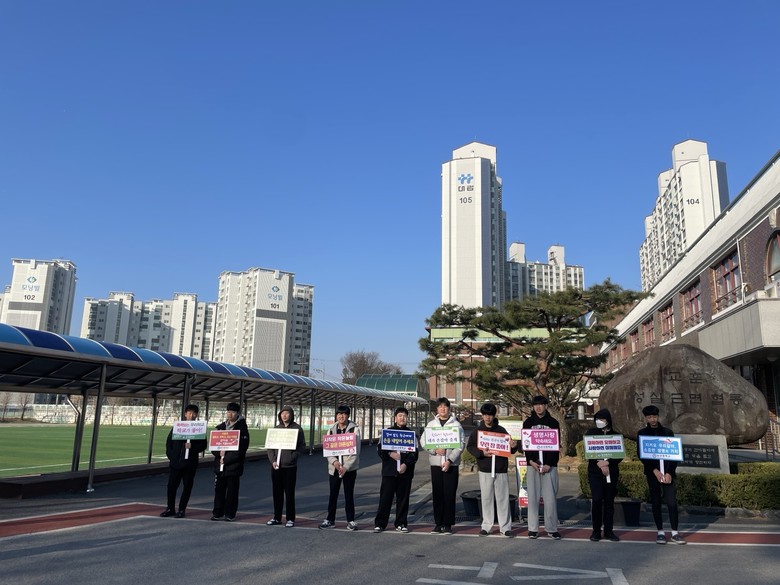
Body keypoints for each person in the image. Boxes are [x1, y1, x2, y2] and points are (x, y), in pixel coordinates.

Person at [466, 402, 518, 537]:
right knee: (486, 498)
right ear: (482, 415)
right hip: (485, 469)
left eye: (490, 415)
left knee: (503, 499)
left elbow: (510, 448)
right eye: (485, 415)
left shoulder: (501, 430)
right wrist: (481, 453)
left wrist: (514, 445)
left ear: (494, 415)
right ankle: (486, 526)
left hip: (500, 469)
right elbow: (470, 447)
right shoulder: (477, 432)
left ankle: (505, 527)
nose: (487, 417)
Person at [638, 405, 686, 545]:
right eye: (649, 417)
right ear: (646, 418)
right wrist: (654, 470)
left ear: (658, 417)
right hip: (652, 474)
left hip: (668, 473)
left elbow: (674, 454)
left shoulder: (667, 432)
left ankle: (675, 532)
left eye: (654, 416)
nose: (653, 419)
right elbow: (641, 455)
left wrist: (669, 472)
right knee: (656, 502)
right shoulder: (642, 433)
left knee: (672, 503)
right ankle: (660, 532)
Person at [421, 397, 464, 534]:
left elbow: (460, 445)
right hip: (436, 464)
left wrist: (450, 460)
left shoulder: (456, 425)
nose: (443, 409)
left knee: (449, 494)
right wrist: (434, 450)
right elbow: (423, 441)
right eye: (440, 407)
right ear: (437, 409)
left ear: (449, 409)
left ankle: (448, 524)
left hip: (451, 464)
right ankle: (438, 523)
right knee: (437, 494)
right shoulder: (431, 424)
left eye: (445, 406)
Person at [522, 394, 561, 540]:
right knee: (533, 499)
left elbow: (556, 446)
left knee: (550, 499)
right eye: (536, 404)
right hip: (533, 466)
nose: (538, 407)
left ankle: (551, 528)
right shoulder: (528, 423)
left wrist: (549, 464)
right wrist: (531, 461)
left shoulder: (553, 423)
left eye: (541, 404)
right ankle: (533, 529)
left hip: (550, 467)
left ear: (546, 406)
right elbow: (526, 445)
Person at [373, 406, 418, 533]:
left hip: (405, 473)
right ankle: (380, 523)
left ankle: (401, 523)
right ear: (395, 418)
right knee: (385, 498)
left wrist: (405, 465)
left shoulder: (411, 434)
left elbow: (414, 454)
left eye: (404, 416)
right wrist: (389, 454)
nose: (402, 418)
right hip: (389, 472)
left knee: (403, 499)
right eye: (400, 416)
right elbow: (380, 449)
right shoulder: (387, 432)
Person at [160, 403, 207, 518]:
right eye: (189, 413)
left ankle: (182, 509)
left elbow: (203, 445)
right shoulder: (178, 426)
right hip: (176, 463)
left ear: (196, 415)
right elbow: (169, 442)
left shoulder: (199, 428)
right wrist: (171, 456)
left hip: (190, 464)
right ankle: (170, 508)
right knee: (171, 486)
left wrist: (192, 447)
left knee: (187, 487)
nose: (191, 415)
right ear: (185, 414)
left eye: (194, 413)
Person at [319, 405, 361, 530]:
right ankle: (330, 519)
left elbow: (356, 450)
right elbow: (328, 450)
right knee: (333, 494)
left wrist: (346, 466)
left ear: (348, 415)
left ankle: (351, 520)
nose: (341, 416)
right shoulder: (331, 430)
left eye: (343, 414)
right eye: (339, 414)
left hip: (349, 469)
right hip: (334, 469)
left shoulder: (354, 429)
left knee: (349, 494)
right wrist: (335, 462)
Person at [266, 405, 306, 528]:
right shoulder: (276, 429)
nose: (284, 415)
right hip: (276, 466)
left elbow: (301, 446)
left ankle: (290, 518)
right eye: (282, 413)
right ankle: (277, 517)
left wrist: (292, 457)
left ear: (291, 415)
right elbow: (270, 447)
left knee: (289, 493)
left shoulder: (297, 429)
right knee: (276, 493)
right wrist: (273, 460)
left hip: (290, 467)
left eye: (287, 413)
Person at [585, 408, 622, 542]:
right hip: (595, 472)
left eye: (602, 419)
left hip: (612, 472)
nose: (599, 422)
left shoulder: (616, 435)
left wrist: (608, 463)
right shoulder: (591, 433)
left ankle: (608, 530)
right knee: (597, 500)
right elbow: (589, 452)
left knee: (609, 502)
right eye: (597, 419)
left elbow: (619, 455)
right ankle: (596, 531)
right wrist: (600, 463)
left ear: (608, 420)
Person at [211, 402, 250, 522]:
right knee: (219, 490)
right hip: (220, 465)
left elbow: (241, 450)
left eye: (232, 412)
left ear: (237, 413)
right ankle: (218, 512)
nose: (230, 414)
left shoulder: (242, 429)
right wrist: (219, 454)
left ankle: (230, 513)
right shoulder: (221, 427)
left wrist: (226, 459)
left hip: (233, 466)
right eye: (228, 411)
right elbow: (214, 446)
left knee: (232, 491)